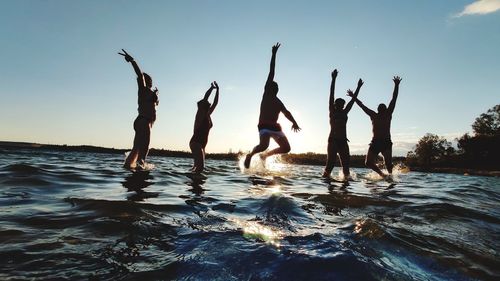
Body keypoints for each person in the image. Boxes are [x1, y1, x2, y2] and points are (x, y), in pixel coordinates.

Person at [244, 43, 301, 169]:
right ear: (268, 88)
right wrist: (274, 54)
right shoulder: (266, 95)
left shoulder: (278, 101)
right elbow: (272, 71)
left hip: (275, 127)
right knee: (263, 145)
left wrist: (294, 122)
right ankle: (250, 155)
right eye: (273, 86)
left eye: (276, 87)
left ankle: (265, 156)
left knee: (286, 148)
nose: (275, 88)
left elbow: (286, 113)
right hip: (264, 125)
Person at [347, 76, 402, 178]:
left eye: (383, 108)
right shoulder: (374, 115)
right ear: (378, 109)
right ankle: (382, 174)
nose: (381, 109)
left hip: (386, 142)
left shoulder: (388, 114)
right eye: (380, 108)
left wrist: (396, 85)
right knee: (368, 162)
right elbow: (361, 105)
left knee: (388, 165)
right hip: (375, 142)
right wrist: (352, 96)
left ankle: (390, 179)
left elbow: (394, 99)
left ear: (385, 109)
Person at [118, 49, 159, 169]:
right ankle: (140, 174)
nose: (149, 81)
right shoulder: (143, 89)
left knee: (136, 149)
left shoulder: (149, 93)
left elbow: (152, 104)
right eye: (148, 80)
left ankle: (128, 167)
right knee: (144, 149)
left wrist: (155, 96)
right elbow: (139, 75)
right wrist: (132, 61)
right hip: (143, 121)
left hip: (143, 122)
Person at [323, 68, 363, 179]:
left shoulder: (345, 112)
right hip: (333, 140)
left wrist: (358, 87)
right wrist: (333, 79)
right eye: (339, 104)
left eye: (342, 104)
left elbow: (353, 101)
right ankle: (327, 185)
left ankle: (345, 187)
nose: (341, 106)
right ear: (335, 104)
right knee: (330, 164)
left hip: (343, 141)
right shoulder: (332, 111)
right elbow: (331, 94)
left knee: (346, 167)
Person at [190, 81, 219, 173]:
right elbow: (206, 97)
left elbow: (215, 103)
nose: (208, 103)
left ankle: (193, 185)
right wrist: (211, 88)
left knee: (197, 168)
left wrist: (218, 90)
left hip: (202, 145)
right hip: (196, 142)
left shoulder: (208, 115)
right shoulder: (200, 113)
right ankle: (194, 186)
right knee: (199, 169)